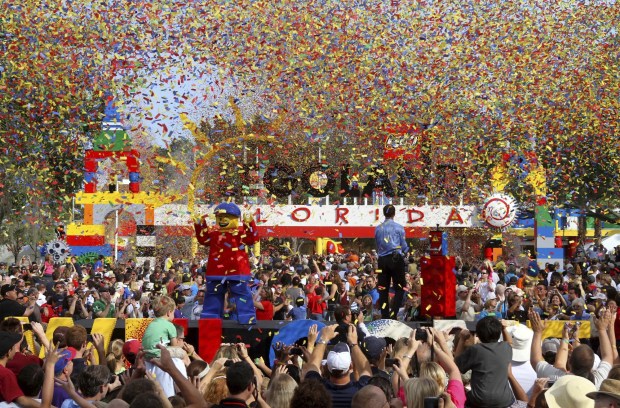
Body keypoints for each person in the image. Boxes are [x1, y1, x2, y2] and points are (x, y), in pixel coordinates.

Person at [304, 324, 372, 408]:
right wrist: (354, 343)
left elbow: (312, 364)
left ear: (327, 367)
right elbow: (365, 369)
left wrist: (323, 339)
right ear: (350, 366)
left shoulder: (315, 388)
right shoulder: (361, 390)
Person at [454, 316, 514, 408]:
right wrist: (504, 329)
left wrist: (462, 339)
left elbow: (457, 366)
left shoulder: (476, 349)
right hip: (504, 400)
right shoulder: (506, 348)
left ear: (478, 335)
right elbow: (509, 343)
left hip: (480, 400)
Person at [374, 204, 409, 319]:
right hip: (396, 258)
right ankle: (394, 313)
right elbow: (403, 245)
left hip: (382, 260)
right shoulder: (399, 227)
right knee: (400, 287)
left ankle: (385, 315)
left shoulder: (378, 228)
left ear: (384, 214)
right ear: (394, 214)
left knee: (383, 288)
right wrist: (406, 251)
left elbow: (378, 245)